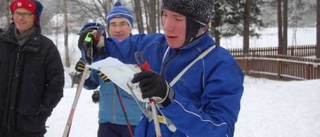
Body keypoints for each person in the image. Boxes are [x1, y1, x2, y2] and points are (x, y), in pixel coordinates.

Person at [79, 0, 244, 136]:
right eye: (164, 15)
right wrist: (95, 40)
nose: (167, 26)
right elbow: (115, 47)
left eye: (177, 18)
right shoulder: (157, 45)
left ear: (200, 25)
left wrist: (169, 99)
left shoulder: (221, 65)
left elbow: (221, 131)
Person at [75, 1, 143, 137]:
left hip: (135, 120)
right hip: (107, 121)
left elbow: (145, 87)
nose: (117, 29)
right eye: (113, 24)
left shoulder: (139, 50)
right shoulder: (101, 52)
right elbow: (91, 83)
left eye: (123, 24)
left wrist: (116, 76)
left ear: (131, 27)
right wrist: (85, 72)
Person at [0, 0, 65, 137]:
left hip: (29, 127)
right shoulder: (2, 43)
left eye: (26, 14)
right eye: (17, 13)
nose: (20, 18)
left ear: (35, 17)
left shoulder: (46, 48)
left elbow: (56, 86)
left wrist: (41, 113)